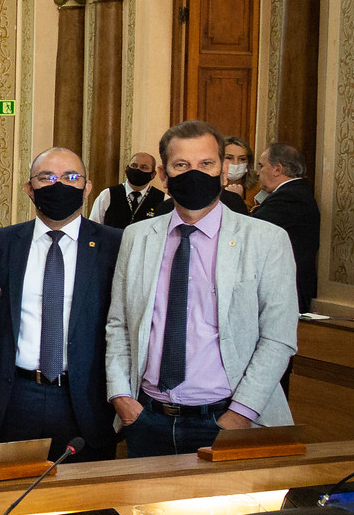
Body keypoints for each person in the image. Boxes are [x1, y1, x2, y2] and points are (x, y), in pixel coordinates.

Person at [105, 120, 298, 455]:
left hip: (229, 420)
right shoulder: (137, 237)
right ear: (164, 176)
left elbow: (278, 338)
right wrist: (122, 398)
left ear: (223, 171)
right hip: (147, 418)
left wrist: (240, 414)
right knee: (145, 510)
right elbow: (119, 324)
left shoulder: (266, 240)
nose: (195, 173)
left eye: (206, 164)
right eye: (182, 165)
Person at [0, 147, 124, 462]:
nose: (58, 185)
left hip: (87, 399)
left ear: (87, 188)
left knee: (84, 504)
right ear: (29, 189)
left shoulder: (115, 245)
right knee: (14, 498)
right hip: (17, 396)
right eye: (46, 177)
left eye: (70, 177)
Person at [251, 142, 319, 313]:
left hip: (287, 288)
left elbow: (252, 230)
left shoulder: (291, 196)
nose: (258, 172)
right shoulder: (291, 193)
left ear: (277, 169)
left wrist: (234, 201)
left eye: (261, 166)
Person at [88, 151, 168, 227]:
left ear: (153, 174)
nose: (138, 169)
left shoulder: (164, 200)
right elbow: (93, 227)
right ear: (127, 168)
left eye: (144, 167)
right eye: (134, 166)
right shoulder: (107, 195)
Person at [220, 136, 256, 213]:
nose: (236, 163)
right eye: (229, 158)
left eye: (242, 159)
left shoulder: (258, 189)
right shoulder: (209, 187)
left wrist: (237, 200)